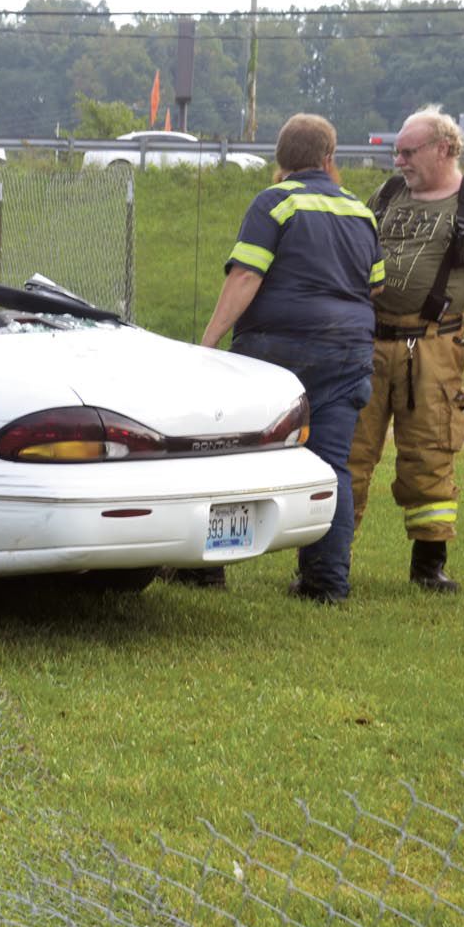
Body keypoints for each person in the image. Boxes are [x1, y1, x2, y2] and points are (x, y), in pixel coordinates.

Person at [179, 113, 384, 603]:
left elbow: (246, 276)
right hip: (348, 352)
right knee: (332, 466)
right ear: (329, 158)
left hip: (278, 350)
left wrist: (209, 341)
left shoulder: (276, 202)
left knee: (232, 454)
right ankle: (326, 583)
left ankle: (206, 570)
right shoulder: (361, 211)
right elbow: (375, 286)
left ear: (280, 157)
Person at [349, 105, 464, 593]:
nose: (398, 161)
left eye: (408, 152)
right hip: (368, 342)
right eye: (396, 152)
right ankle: (326, 562)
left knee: (430, 453)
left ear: (443, 149)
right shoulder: (387, 194)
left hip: (434, 348)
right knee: (349, 452)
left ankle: (428, 566)